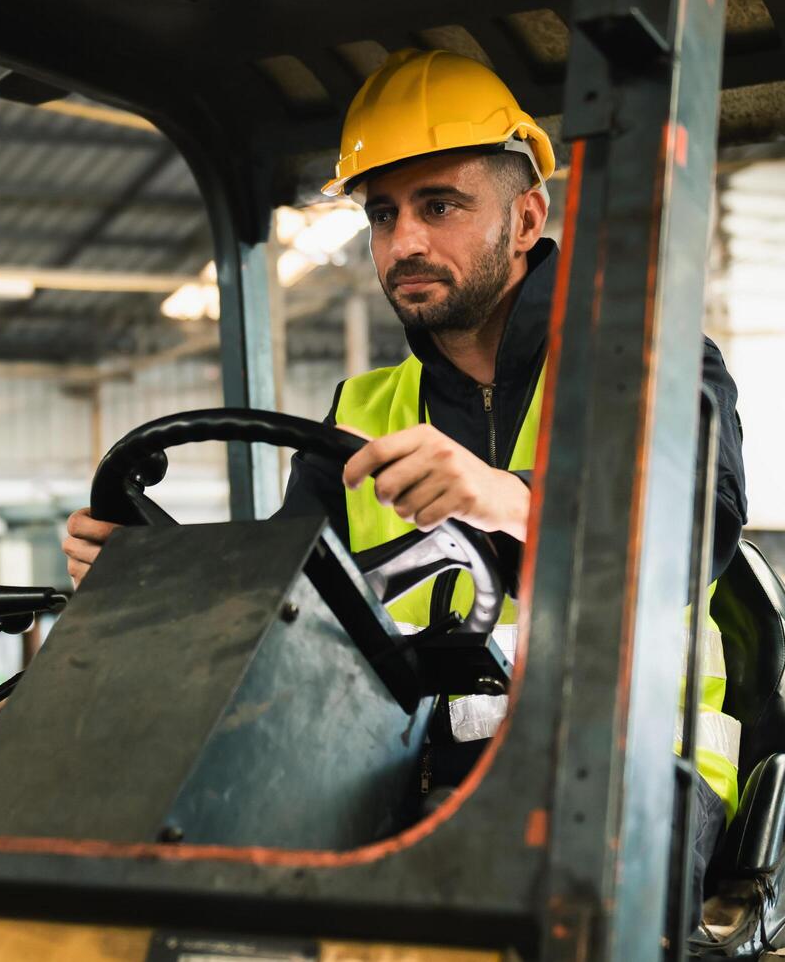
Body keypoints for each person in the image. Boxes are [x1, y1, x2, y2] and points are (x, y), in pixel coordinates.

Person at [63, 48, 747, 929]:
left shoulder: (646, 362)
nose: (404, 242)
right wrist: (157, 580)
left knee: (521, 919)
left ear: (528, 214)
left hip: (631, 762)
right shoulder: (361, 411)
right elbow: (289, 607)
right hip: (407, 767)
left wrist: (505, 496)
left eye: (440, 206)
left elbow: (700, 535)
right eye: (383, 215)